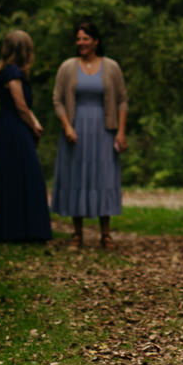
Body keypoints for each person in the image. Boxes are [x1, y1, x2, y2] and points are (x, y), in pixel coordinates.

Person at [51, 21, 127, 248]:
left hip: (104, 129)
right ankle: (77, 233)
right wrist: (67, 126)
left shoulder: (111, 66)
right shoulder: (67, 67)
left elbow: (123, 99)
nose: (81, 43)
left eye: (85, 39)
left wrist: (121, 131)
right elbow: (57, 99)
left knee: (103, 177)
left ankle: (105, 233)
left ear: (96, 41)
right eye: (78, 39)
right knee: (77, 176)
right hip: (76, 130)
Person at [0, 30, 53, 244]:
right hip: (14, 127)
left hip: (11, 125)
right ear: (24, 50)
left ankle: (18, 229)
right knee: (27, 174)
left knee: (17, 174)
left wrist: (34, 122)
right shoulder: (13, 73)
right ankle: (24, 230)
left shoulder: (8, 72)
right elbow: (20, 105)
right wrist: (34, 123)